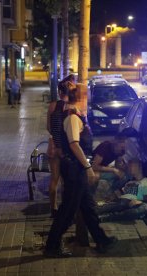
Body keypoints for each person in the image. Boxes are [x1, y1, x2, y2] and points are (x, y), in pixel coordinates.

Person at [44, 86, 117, 258]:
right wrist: (87, 167)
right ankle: (52, 246)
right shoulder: (72, 118)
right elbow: (74, 144)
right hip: (74, 169)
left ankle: (101, 240)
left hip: (75, 168)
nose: (89, 99)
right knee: (68, 211)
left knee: (87, 206)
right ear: (82, 97)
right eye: (88, 95)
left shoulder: (75, 114)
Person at [46, 77, 71, 218]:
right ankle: (64, 207)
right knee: (65, 179)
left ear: (59, 92)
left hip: (53, 146)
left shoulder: (52, 106)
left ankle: (53, 208)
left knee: (54, 179)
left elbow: (48, 127)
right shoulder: (70, 107)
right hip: (65, 147)